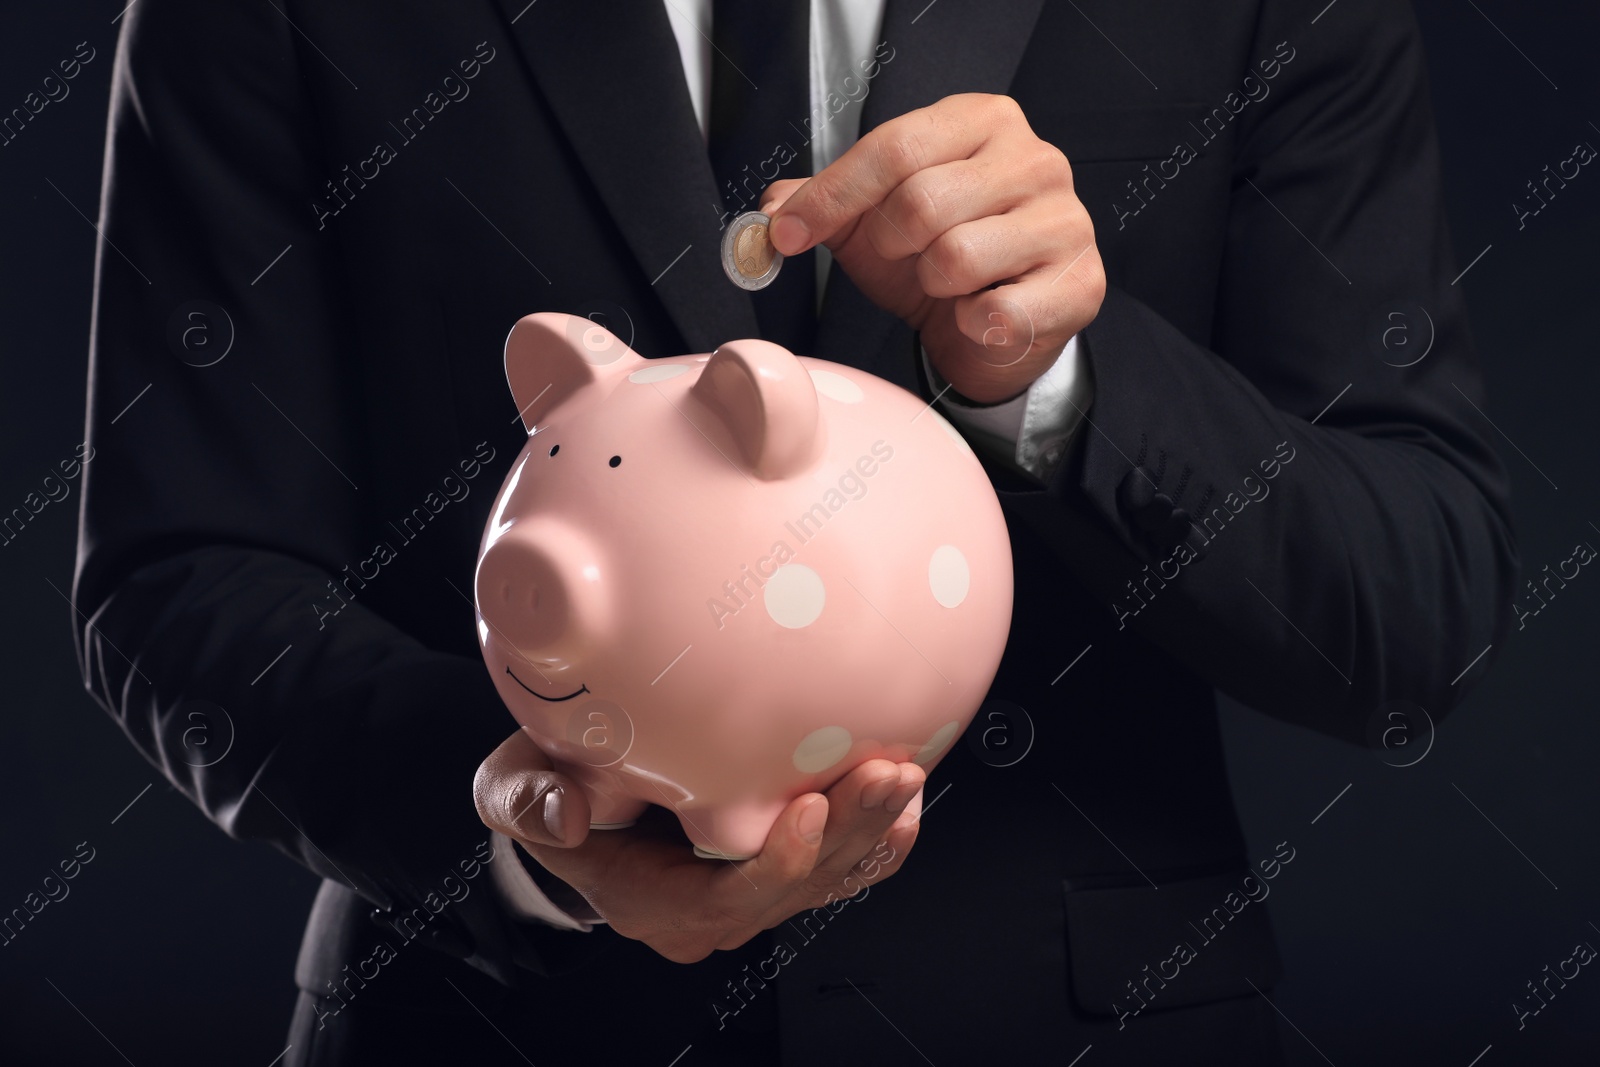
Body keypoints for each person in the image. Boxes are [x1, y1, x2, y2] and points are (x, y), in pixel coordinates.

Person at [74, 0, 1516, 1063]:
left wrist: (1062, 375)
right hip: (480, 1014)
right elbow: (178, 575)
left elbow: (1412, 606)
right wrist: (532, 829)